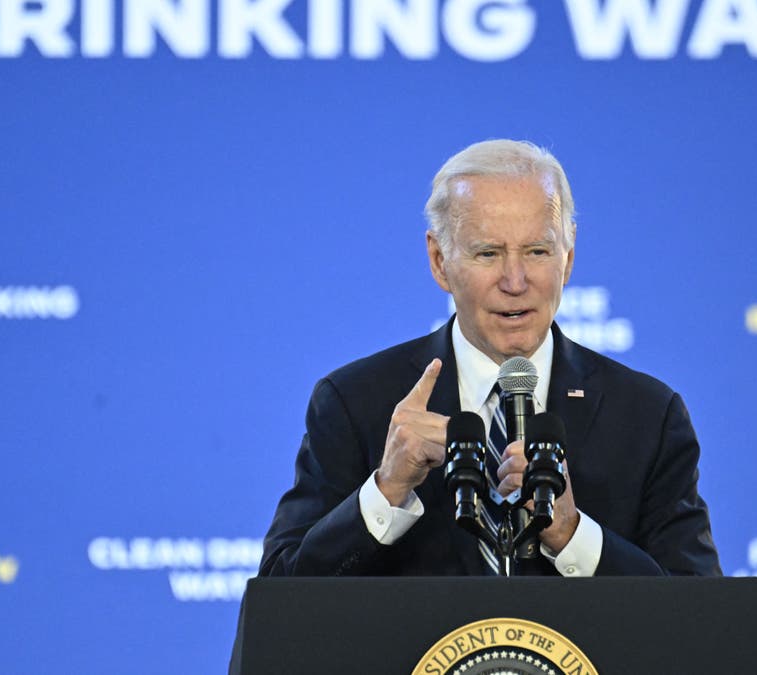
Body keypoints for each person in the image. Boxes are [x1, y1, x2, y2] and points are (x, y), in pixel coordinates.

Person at [259, 139, 721, 577]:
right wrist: (386, 492)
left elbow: (702, 622)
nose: (516, 281)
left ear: (569, 257)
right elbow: (279, 602)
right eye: (488, 253)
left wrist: (572, 534)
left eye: (537, 251)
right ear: (440, 261)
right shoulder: (356, 403)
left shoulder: (646, 415)